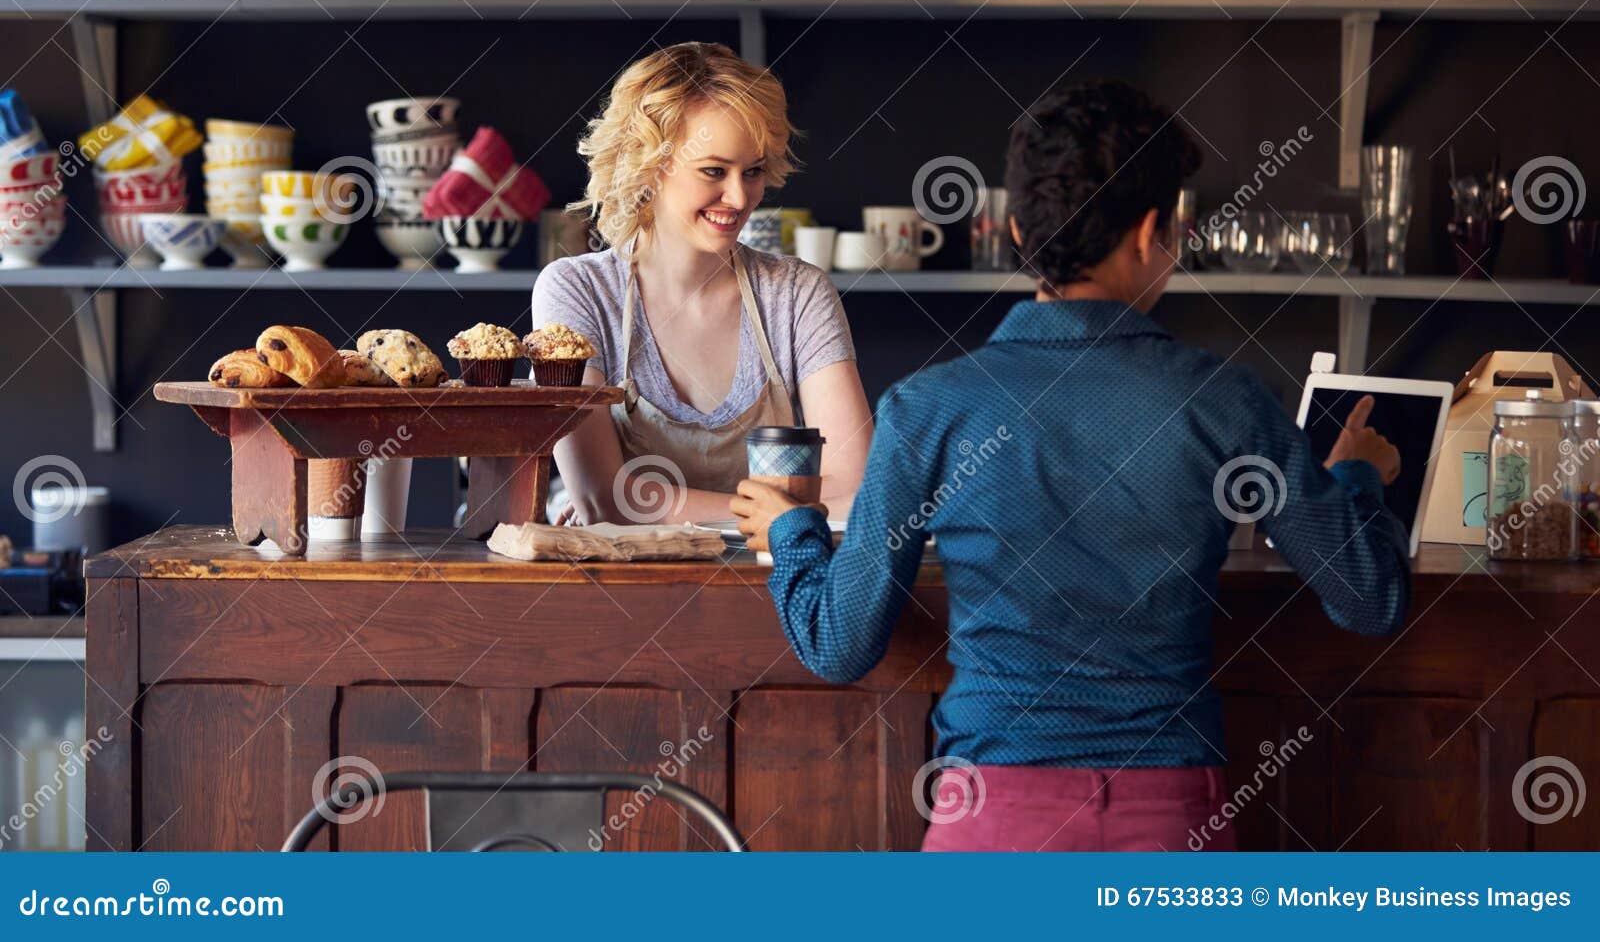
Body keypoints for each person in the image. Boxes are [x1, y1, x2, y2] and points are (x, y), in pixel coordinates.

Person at [731, 79, 1409, 852]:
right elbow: (1371, 598)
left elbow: (839, 643)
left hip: (989, 827)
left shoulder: (929, 407)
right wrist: (1356, 476)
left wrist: (793, 528)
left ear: (1018, 230)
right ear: (1155, 229)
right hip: (1174, 822)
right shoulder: (1225, 401)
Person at [533, 42, 872, 525]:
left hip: (770, 589)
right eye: (714, 170)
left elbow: (857, 490)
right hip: (626, 596)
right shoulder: (578, 291)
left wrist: (648, 502)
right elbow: (602, 496)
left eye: (752, 172)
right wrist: (787, 519)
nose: (739, 197)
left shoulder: (797, 293)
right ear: (647, 164)